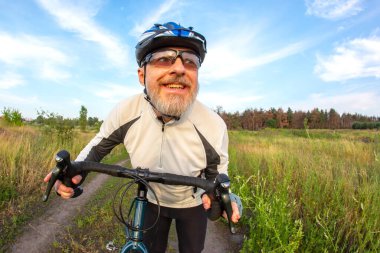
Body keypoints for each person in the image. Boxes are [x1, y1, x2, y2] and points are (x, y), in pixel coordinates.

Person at [44, 21, 241, 253]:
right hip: (149, 199)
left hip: (191, 204)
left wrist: (221, 199)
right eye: (163, 58)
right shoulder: (126, 111)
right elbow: (97, 148)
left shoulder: (213, 124)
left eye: (190, 61)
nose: (179, 68)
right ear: (141, 75)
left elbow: (218, 175)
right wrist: (73, 171)